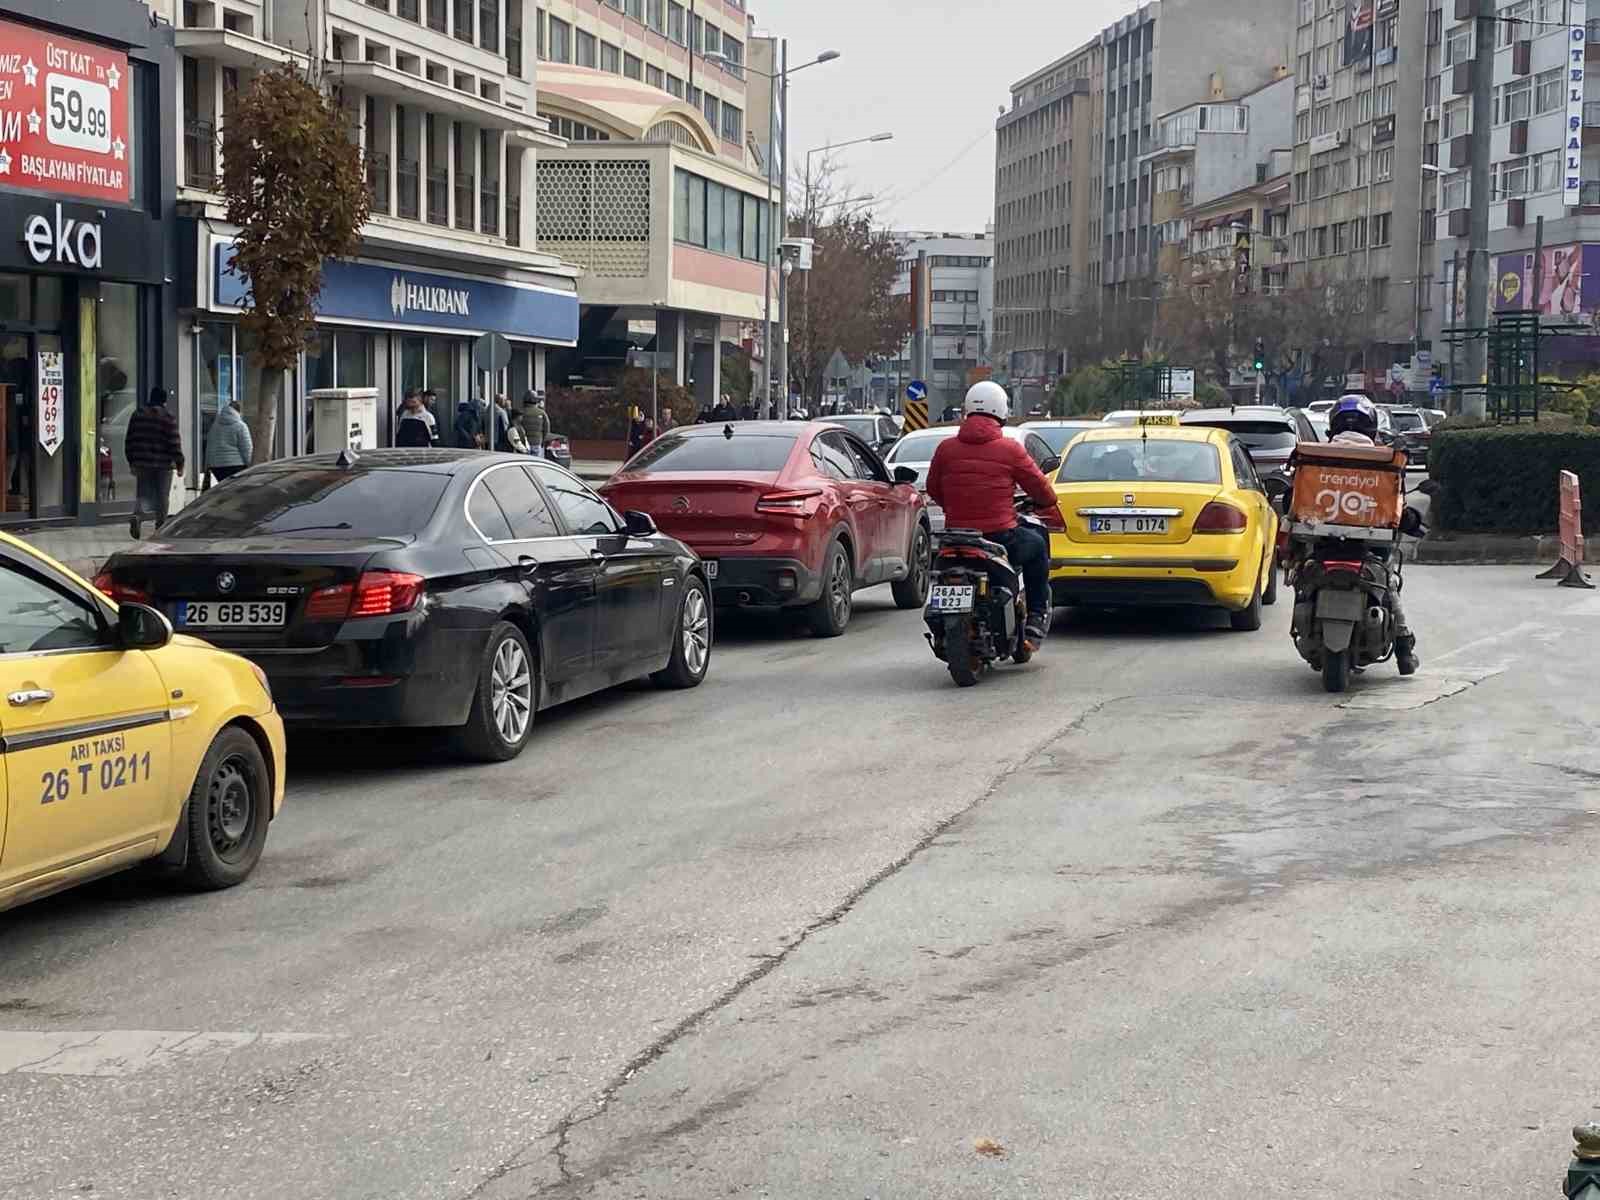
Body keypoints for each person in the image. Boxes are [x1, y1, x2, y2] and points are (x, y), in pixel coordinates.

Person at [925, 381, 1063, 653]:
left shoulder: (945, 448)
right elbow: (1042, 490)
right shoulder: (1010, 449)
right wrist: (1046, 501)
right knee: (1036, 545)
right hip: (999, 535)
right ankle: (1037, 614)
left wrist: (953, 506)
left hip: (955, 537)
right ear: (1001, 411)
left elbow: (933, 488)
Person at [1323, 394, 1419, 674]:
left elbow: (1295, 499)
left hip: (1323, 545)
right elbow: (1398, 506)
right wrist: (1410, 520)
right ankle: (1403, 650)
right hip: (1370, 548)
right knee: (1388, 586)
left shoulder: (1316, 455)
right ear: (1372, 428)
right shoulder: (1385, 461)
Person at [124, 386, 184, 538]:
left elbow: (129, 440)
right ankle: (160, 527)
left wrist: (131, 461)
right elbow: (174, 442)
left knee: (142, 494)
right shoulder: (167, 417)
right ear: (164, 401)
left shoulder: (137, 414)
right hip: (163, 464)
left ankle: (137, 516)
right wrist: (179, 463)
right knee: (162, 496)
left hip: (142, 463)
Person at [204, 396, 254, 482]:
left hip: (216, 467)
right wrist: (251, 467)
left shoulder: (214, 426)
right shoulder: (241, 426)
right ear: (239, 412)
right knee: (237, 492)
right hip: (236, 466)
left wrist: (207, 465)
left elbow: (209, 447)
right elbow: (247, 449)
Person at [522, 389, 550, 459]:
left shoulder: (521, 412)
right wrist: (543, 441)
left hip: (523, 444)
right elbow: (547, 429)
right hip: (537, 443)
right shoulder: (542, 413)